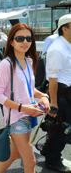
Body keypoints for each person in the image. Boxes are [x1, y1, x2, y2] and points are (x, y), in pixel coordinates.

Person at [0, 23, 50, 173]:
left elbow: (30, 90)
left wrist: (43, 96)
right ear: (11, 41)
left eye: (28, 38)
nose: (25, 42)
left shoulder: (29, 60)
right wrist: (23, 108)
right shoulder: (6, 64)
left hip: (30, 115)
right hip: (16, 118)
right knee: (30, 162)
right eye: (20, 38)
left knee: (13, 154)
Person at [43, 14, 71, 172]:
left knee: (62, 128)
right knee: (63, 129)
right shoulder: (58, 48)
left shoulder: (68, 44)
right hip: (60, 95)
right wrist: (53, 103)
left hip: (68, 94)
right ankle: (52, 160)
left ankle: (49, 151)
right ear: (65, 29)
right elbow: (52, 79)